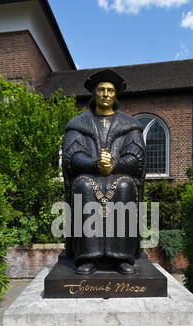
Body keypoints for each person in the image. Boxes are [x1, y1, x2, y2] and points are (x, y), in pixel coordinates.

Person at [62, 69, 146, 275]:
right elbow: (72, 156)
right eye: (101, 90)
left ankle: (122, 258)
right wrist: (95, 165)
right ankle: (88, 257)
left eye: (110, 90)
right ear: (94, 94)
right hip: (89, 175)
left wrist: (114, 165)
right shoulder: (78, 124)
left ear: (115, 94)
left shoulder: (130, 125)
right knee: (83, 185)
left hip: (119, 175)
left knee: (125, 185)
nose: (106, 94)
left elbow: (136, 157)